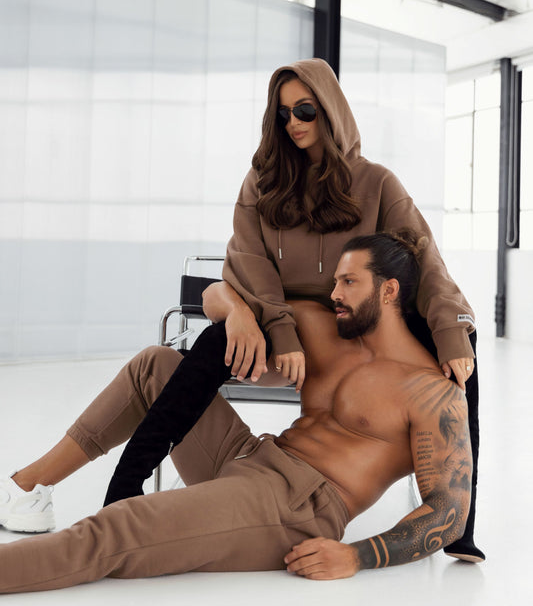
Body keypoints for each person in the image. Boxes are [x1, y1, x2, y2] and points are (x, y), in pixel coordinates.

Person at [0, 58, 482, 561]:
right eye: (282, 114)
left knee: (461, 350)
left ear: (331, 110)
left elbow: (422, 256)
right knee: (208, 343)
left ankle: (462, 524)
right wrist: (268, 323)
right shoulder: (263, 182)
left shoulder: (377, 183)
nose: (293, 123)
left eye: (305, 110)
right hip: (285, 330)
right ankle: (118, 486)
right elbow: (247, 265)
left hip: (351, 330)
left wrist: (451, 330)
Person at [0, 231, 472, 593]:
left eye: (349, 282)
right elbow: (215, 294)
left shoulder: (431, 392)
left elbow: (448, 511)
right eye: (335, 281)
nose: (335, 293)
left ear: (389, 291)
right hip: (251, 456)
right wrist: (240, 315)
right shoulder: (324, 329)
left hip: (295, 506)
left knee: (121, 527)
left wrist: (357, 556)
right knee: (157, 364)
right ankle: (27, 488)